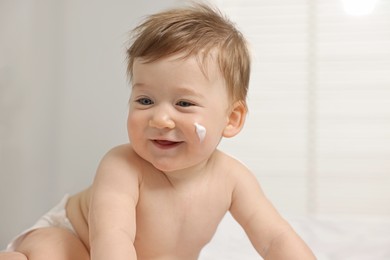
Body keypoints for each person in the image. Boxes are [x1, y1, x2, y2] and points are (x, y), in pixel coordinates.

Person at [1, 3, 316, 260]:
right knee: (53, 252)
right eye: (145, 100)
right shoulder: (122, 165)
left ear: (231, 119)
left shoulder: (233, 179)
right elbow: (114, 237)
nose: (161, 119)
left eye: (183, 103)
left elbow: (274, 239)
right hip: (77, 238)